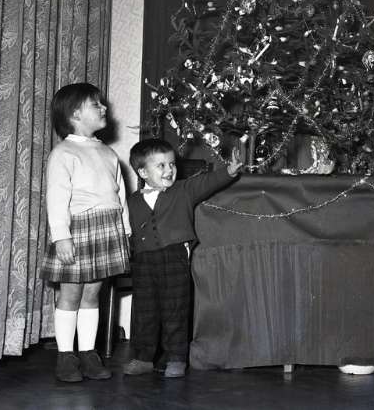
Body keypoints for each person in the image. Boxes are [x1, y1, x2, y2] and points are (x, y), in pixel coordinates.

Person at [123, 138, 243, 378]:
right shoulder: (132, 201)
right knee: (145, 311)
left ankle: (176, 358)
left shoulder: (184, 190)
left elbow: (207, 182)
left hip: (175, 257)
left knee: (175, 310)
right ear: (143, 172)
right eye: (161, 166)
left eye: (172, 164)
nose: (169, 170)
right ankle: (144, 357)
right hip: (143, 261)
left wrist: (228, 171)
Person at [40, 83, 131, 383]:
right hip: (77, 231)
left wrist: (125, 229)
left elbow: (119, 196)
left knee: (93, 293)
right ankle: (66, 356)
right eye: (96, 104)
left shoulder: (108, 152)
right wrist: (61, 236)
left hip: (107, 229)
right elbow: (56, 198)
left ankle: (89, 353)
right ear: (75, 114)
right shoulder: (63, 153)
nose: (104, 108)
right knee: (71, 293)